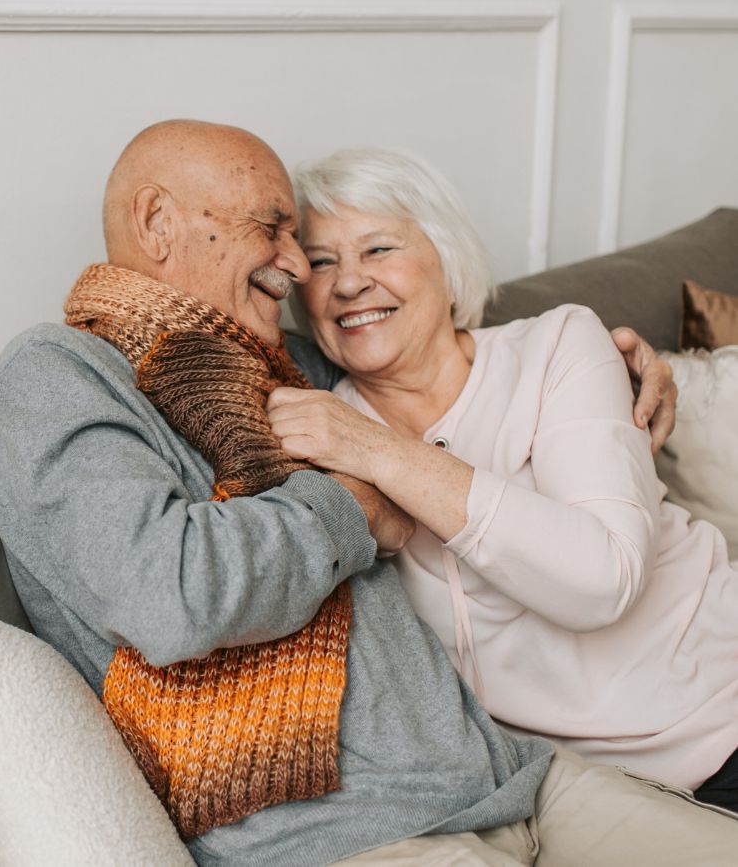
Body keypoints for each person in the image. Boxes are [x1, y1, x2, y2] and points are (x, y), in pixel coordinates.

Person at [0, 120, 736, 867]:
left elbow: (436, 342)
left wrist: (633, 366)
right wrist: (359, 510)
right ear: (156, 221)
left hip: (519, 780)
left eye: (302, 240)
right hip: (363, 829)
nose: (302, 271)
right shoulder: (61, 373)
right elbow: (169, 593)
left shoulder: (293, 367)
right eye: (279, 232)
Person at [268, 145, 738, 814]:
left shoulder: (558, 347)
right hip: (578, 795)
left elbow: (604, 581)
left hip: (722, 706)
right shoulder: (318, 425)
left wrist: (380, 452)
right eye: (320, 261)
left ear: (447, 262)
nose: (348, 283)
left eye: (378, 250)